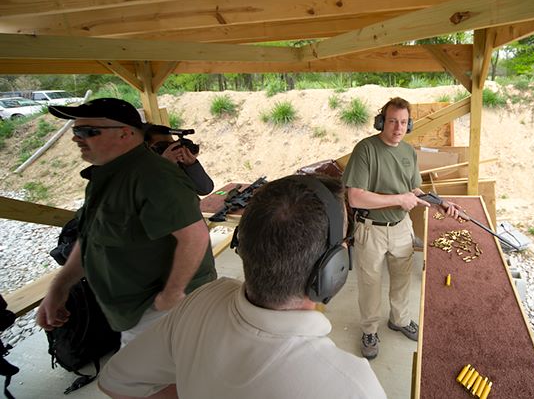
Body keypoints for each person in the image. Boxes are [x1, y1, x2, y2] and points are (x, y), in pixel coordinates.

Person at [97, 175, 386, 399]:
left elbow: (116, 381)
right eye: (346, 238)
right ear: (333, 268)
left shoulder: (201, 301)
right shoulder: (353, 387)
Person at [36, 98, 217, 348]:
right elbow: (90, 238)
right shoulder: (107, 175)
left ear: (125, 133)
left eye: (88, 131)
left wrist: (171, 294)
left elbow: (195, 236)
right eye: (76, 131)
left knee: (147, 372)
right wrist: (60, 286)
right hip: (134, 309)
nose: (77, 138)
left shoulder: (153, 176)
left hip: (158, 309)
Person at [343, 97, 457, 360]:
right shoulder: (366, 150)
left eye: (404, 122)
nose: (398, 128)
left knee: (402, 280)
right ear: (381, 122)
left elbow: (413, 190)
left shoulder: (408, 152)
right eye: (393, 121)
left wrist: (439, 202)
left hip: (401, 227)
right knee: (370, 284)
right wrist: (398, 200)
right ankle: (370, 330)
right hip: (371, 229)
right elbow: (355, 197)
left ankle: (400, 320)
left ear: (409, 125)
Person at [144, 124, 215, 195]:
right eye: (161, 146)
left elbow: (205, 189)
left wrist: (191, 165)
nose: (169, 149)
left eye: (172, 143)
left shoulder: (177, 163)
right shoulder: (144, 173)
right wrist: (164, 165)